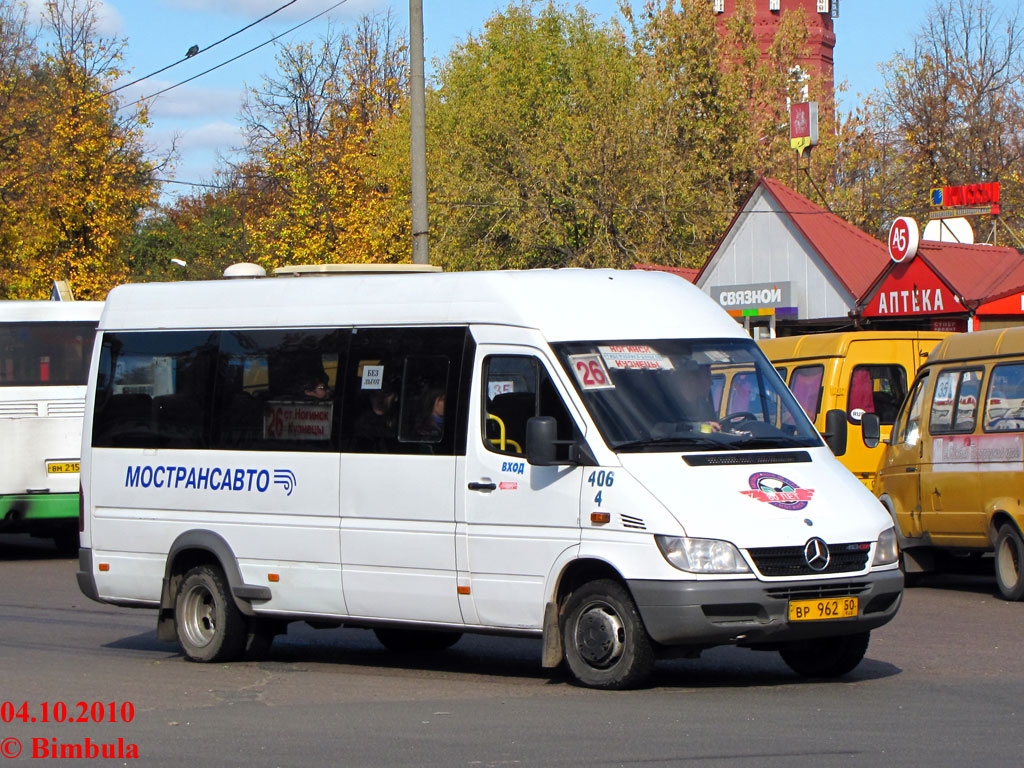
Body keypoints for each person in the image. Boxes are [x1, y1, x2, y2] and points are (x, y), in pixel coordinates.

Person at [678, 361, 720, 432]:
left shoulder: (704, 405)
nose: (711, 382)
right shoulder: (672, 403)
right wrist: (699, 427)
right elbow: (662, 429)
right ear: (692, 381)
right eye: (707, 377)